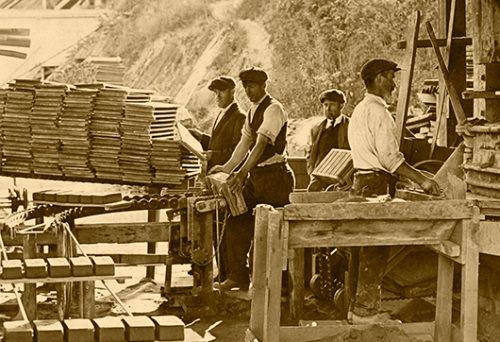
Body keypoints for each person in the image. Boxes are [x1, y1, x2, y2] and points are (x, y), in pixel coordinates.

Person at [347, 58, 441, 324]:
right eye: (389, 76)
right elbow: (391, 159)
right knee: (374, 248)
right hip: (375, 184)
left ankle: (355, 308)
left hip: (360, 181)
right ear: (377, 79)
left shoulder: (359, 110)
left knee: (360, 247)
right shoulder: (379, 113)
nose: (393, 81)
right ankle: (366, 313)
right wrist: (422, 180)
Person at [209, 66, 295, 291]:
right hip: (257, 178)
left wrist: (241, 173)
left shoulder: (273, 109)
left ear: (263, 86)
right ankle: (238, 276)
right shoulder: (252, 112)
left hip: (275, 178)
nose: (249, 90)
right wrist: (227, 168)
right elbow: (244, 144)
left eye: (253, 86)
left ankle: (283, 286)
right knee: (236, 220)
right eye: (246, 86)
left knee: (275, 232)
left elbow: (259, 146)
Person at [189, 75, 246, 282]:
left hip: (229, 180)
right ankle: (223, 272)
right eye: (215, 93)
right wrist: (200, 137)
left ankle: (235, 274)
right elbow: (216, 143)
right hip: (217, 179)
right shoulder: (221, 115)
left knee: (229, 228)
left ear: (232, 91)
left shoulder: (239, 117)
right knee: (217, 226)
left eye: (221, 92)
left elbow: (238, 151)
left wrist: (214, 155)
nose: (217, 97)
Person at [306, 89, 350, 191]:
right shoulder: (316, 129)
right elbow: (310, 154)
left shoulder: (350, 126)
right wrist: (312, 173)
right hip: (319, 178)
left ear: (341, 106)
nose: (328, 109)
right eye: (325, 105)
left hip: (341, 179)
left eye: (332, 105)